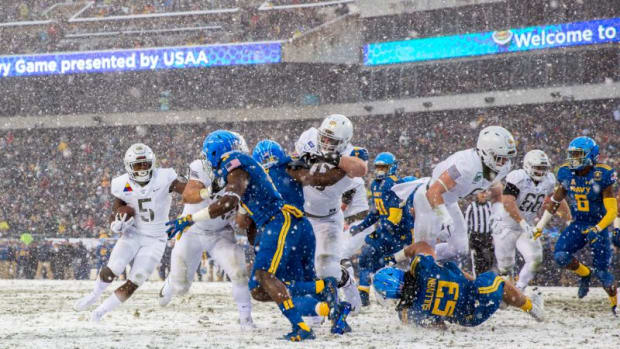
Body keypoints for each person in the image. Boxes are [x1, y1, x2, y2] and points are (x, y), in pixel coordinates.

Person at [166, 131, 351, 341]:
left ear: (217, 152)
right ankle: (326, 302)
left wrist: (190, 219)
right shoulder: (272, 167)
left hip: (280, 222)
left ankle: (305, 323)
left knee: (265, 277)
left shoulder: (234, 165)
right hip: (294, 224)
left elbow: (230, 204)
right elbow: (317, 179)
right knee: (259, 287)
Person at [74, 143, 185, 321]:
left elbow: (186, 191)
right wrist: (115, 225)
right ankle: (94, 294)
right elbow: (114, 213)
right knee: (113, 269)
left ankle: (99, 312)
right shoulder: (121, 184)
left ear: (152, 163)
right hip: (133, 234)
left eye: (145, 164)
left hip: (156, 238)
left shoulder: (165, 178)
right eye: (137, 165)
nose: (142, 168)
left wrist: (198, 189)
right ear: (129, 166)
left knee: (136, 280)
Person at [158, 154, 255, 330]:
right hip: (192, 230)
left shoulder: (244, 175)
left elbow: (241, 225)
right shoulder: (201, 166)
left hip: (220, 234)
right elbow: (188, 196)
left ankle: (246, 319)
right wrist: (210, 191)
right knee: (181, 287)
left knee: (238, 273)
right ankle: (173, 281)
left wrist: (242, 207)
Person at [392, 126, 516, 261]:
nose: (504, 162)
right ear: (486, 152)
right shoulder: (465, 165)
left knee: (460, 249)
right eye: (500, 158)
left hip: (448, 201)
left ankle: (431, 263)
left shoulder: (499, 167)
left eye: (506, 158)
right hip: (428, 200)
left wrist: (497, 212)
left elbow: (496, 189)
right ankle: (395, 260)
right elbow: (433, 192)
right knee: (424, 250)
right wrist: (445, 218)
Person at [533, 136, 618, 314]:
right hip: (578, 224)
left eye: (578, 155)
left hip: (598, 224)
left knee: (604, 275)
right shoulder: (566, 173)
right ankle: (585, 274)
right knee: (560, 256)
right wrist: (540, 225)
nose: (574, 159)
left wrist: (598, 228)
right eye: (572, 155)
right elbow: (556, 200)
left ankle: (614, 305)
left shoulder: (602, 174)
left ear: (591, 156)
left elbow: (612, 211)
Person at [374, 241, 544, 328]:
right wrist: (393, 259)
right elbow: (422, 245)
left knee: (453, 271)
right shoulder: (421, 267)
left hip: (467, 319)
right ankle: (530, 306)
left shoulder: (407, 313)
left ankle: (500, 300)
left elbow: (439, 327)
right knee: (494, 279)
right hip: (478, 297)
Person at [295, 114, 368, 312]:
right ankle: (314, 309)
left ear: (343, 143)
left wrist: (328, 156)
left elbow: (359, 168)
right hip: (304, 215)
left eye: (332, 141)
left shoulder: (353, 154)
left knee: (327, 267)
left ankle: (347, 286)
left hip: (328, 219)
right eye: (324, 138)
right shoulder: (308, 136)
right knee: (303, 265)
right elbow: (295, 160)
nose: (326, 143)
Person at [493, 150, 570, 290]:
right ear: (528, 165)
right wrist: (521, 221)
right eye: (538, 167)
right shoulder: (518, 177)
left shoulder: (549, 180)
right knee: (505, 267)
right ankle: (504, 294)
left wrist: (569, 220)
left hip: (526, 226)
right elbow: (508, 202)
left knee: (535, 259)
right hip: (506, 225)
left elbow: (557, 200)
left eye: (543, 168)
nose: (541, 171)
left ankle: (520, 288)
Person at [349, 152, 415, 306]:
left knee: (374, 259)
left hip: (397, 233)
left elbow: (395, 216)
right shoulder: (375, 184)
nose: (380, 170)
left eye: (383, 167)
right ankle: (367, 295)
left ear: (391, 168)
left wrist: (381, 232)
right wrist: (362, 226)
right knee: (370, 260)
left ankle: (387, 293)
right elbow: (377, 212)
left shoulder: (394, 184)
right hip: (387, 231)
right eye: (378, 167)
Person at [465, 190, 494, 276]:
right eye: (481, 193)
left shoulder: (490, 206)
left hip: (488, 237)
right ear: (477, 194)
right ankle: (478, 280)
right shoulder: (472, 207)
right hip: (476, 238)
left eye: (485, 193)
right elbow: (466, 223)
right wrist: (468, 239)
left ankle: (487, 281)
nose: (483, 195)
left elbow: (494, 220)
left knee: (488, 261)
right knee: (477, 262)